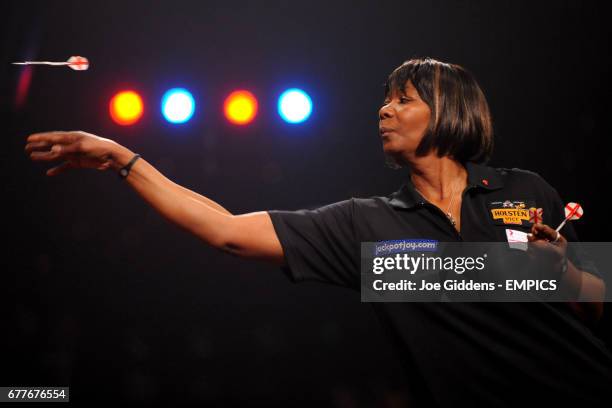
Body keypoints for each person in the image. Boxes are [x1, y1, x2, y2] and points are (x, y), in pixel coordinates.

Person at [24, 57, 611, 406]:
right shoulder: (367, 225)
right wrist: (123, 160)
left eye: (402, 100)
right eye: (383, 101)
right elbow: (227, 230)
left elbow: (598, 302)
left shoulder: (526, 191)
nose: (383, 110)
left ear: (449, 111)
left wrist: (561, 273)